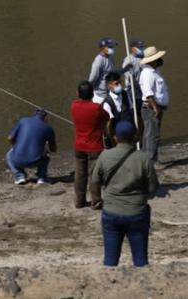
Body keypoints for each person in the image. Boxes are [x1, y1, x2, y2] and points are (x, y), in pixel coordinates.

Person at [92, 120, 159, 267]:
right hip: (137, 212)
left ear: (115, 137)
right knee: (140, 258)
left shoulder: (105, 156)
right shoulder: (143, 158)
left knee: (110, 258)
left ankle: (110, 284)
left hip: (111, 212)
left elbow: (95, 181)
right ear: (135, 137)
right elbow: (153, 187)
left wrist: (97, 200)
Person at [71, 81, 106, 208]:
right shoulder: (96, 107)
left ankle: (79, 201)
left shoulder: (74, 105)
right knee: (94, 175)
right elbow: (106, 117)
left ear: (78, 94)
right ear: (92, 94)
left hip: (79, 145)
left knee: (80, 174)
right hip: (94, 146)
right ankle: (96, 200)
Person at [6, 108, 57, 185]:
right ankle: (42, 178)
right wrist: (44, 144)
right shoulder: (48, 128)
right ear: (46, 118)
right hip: (36, 161)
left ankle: (20, 177)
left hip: (18, 160)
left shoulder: (23, 120)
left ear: (34, 115)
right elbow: (53, 149)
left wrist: (16, 146)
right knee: (47, 153)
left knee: (9, 155)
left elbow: (10, 138)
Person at [138, 46, 168, 164]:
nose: (160, 59)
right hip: (151, 107)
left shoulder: (155, 71)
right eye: (158, 58)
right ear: (152, 60)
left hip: (154, 107)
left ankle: (147, 160)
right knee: (152, 135)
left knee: (149, 134)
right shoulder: (148, 74)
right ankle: (151, 161)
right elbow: (148, 93)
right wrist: (156, 108)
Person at [101, 71, 135, 147]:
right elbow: (109, 125)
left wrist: (135, 131)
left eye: (120, 83)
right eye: (116, 84)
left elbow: (132, 112)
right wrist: (114, 142)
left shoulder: (125, 94)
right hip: (116, 138)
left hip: (128, 134)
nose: (119, 85)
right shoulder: (107, 103)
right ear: (109, 86)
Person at [88, 38, 118, 102]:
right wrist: (86, 90)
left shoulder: (110, 57)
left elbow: (114, 73)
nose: (112, 48)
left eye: (112, 46)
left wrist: (126, 68)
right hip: (100, 96)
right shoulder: (99, 60)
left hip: (109, 94)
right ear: (103, 48)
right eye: (110, 47)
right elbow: (92, 78)